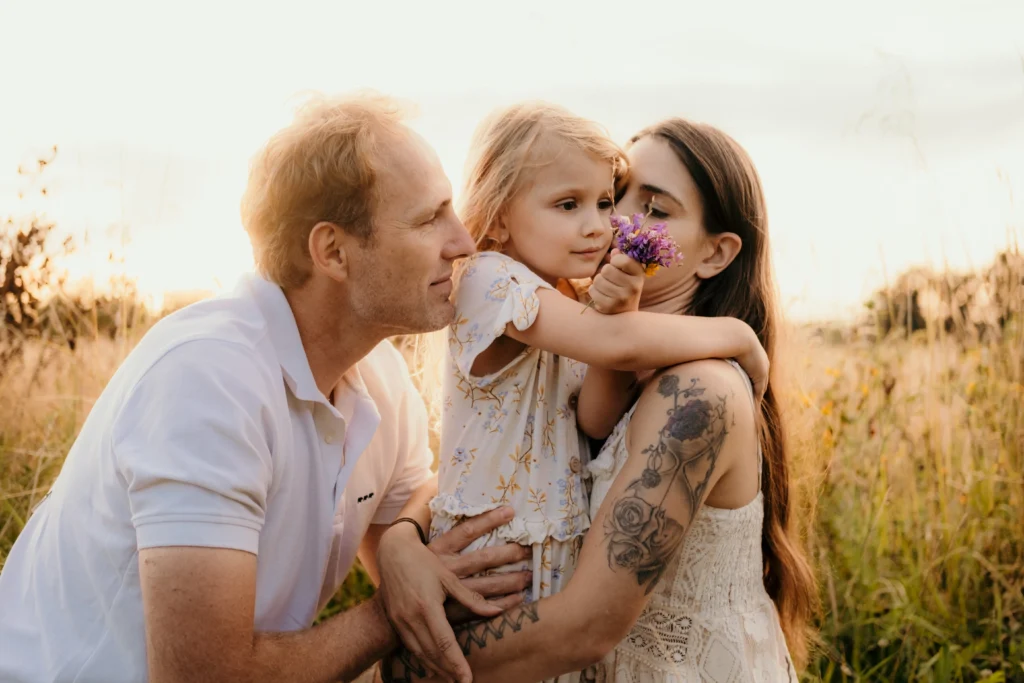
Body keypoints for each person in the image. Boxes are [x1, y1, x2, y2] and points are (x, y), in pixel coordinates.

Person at [0, 92, 530, 683]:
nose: (463, 243)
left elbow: (418, 547)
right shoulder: (207, 379)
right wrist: (386, 615)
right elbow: (205, 679)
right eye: (429, 219)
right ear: (333, 251)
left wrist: (406, 539)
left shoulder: (382, 379)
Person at [379, 118, 819, 682]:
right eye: (618, 197)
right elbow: (515, 453)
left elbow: (582, 627)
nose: (615, 224)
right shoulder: (582, 332)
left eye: (654, 210)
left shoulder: (699, 393)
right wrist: (402, 536)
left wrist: (408, 670)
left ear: (715, 255)